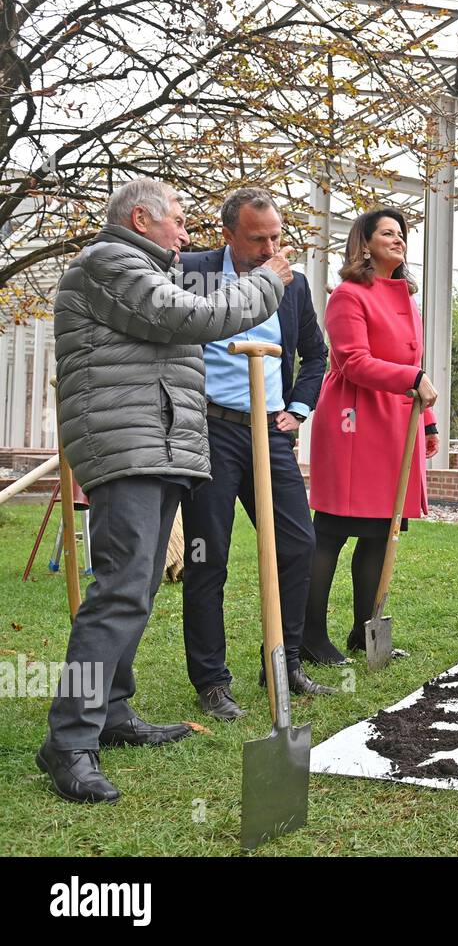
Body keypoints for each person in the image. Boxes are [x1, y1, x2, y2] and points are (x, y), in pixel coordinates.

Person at [41, 177, 292, 803]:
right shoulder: (110, 262)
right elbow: (190, 318)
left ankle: (114, 711)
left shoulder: (146, 268)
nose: (186, 232)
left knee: (139, 586)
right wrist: (267, 282)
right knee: (121, 589)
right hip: (126, 446)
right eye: (178, 220)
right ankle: (69, 742)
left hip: (157, 444)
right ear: (142, 217)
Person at [179, 187, 333, 722]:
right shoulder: (191, 270)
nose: (270, 249)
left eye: (276, 236)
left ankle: (284, 662)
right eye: (257, 239)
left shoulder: (293, 284)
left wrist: (298, 409)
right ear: (228, 235)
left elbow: (316, 355)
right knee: (207, 555)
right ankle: (212, 683)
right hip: (211, 429)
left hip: (270, 432)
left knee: (298, 544)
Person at [304, 209, 437, 657]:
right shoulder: (347, 295)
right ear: (364, 242)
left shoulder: (407, 299)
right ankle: (309, 638)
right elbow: (353, 360)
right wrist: (413, 380)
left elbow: (413, 367)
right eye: (388, 233)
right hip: (354, 426)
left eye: (402, 234)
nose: (399, 240)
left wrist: (429, 423)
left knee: (380, 533)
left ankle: (365, 632)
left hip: (396, 426)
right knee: (333, 532)